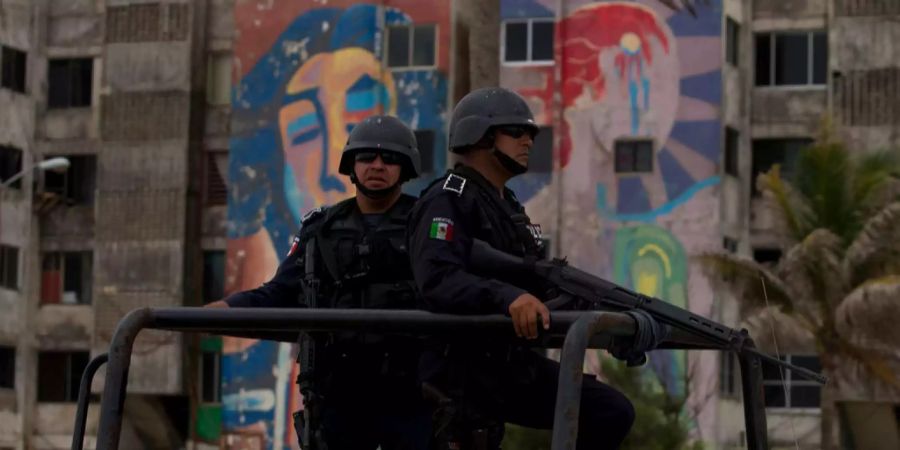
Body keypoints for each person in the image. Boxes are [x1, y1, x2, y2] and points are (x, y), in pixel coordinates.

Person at [407, 87, 640, 449]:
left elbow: (533, 281)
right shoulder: (448, 198)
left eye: (530, 133)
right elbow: (436, 278)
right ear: (480, 135)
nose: (528, 140)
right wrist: (507, 297)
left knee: (610, 411)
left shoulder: (508, 205)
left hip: (508, 364)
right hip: (460, 368)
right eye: (516, 132)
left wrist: (610, 320)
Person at [209, 115, 432, 450]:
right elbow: (278, 292)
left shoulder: (426, 225)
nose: (377, 166)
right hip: (339, 394)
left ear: (406, 167)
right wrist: (223, 309)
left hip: (410, 394)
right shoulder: (322, 229)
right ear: (351, 165)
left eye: (390, 159)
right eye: (367, 157)